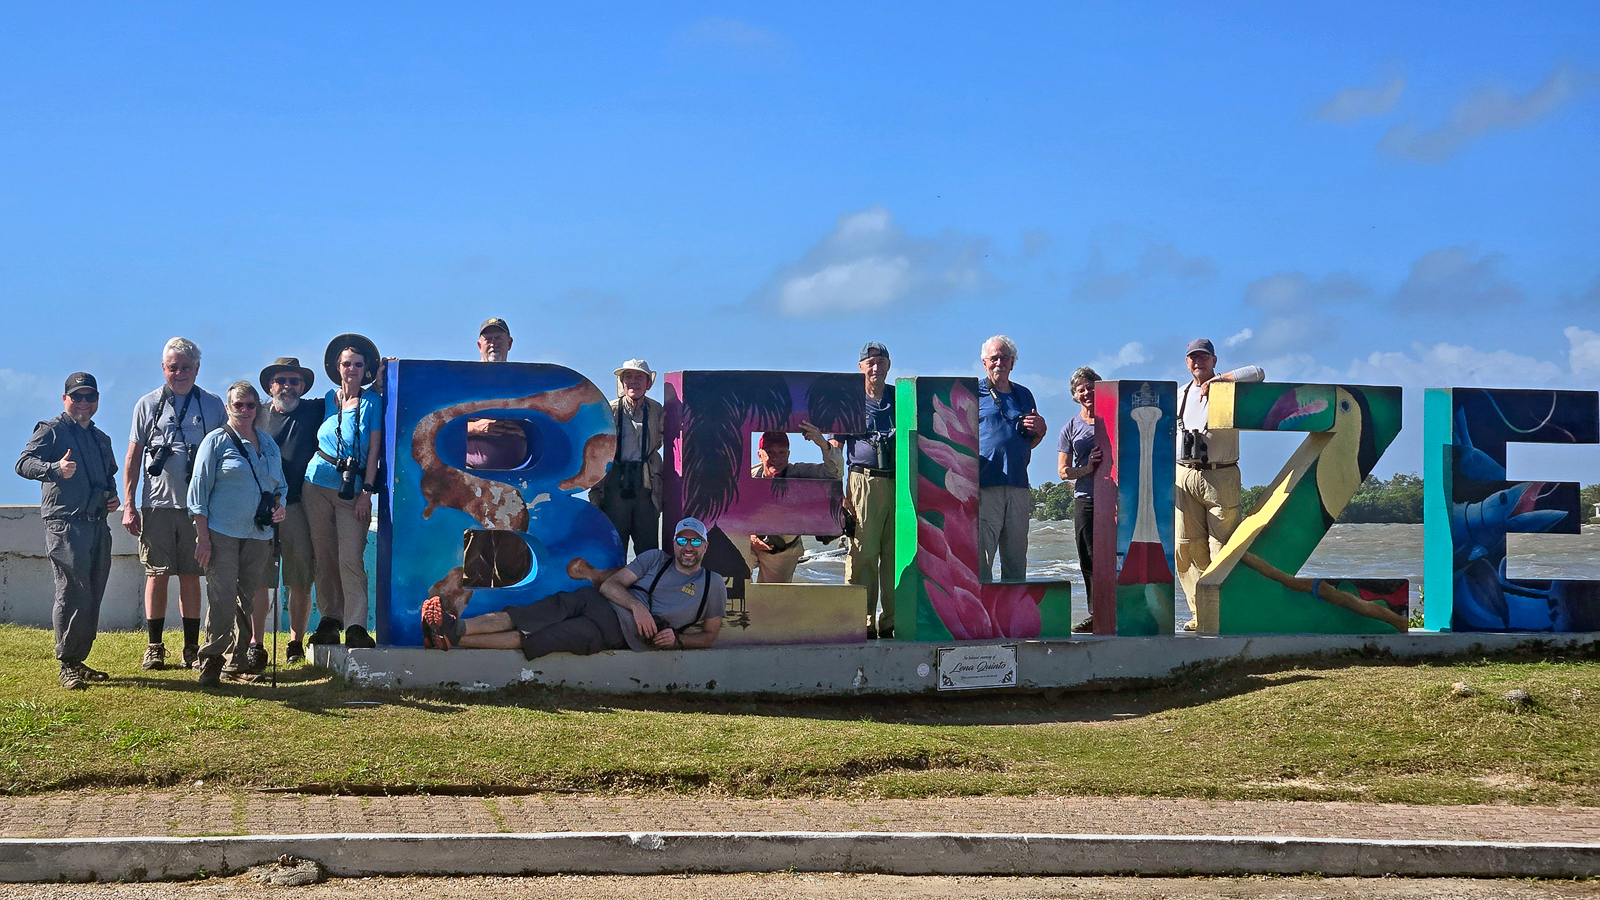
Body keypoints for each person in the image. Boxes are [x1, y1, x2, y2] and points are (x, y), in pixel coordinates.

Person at [420, 518, 725, 657]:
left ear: (705, 546)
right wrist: (636, 606)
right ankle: (454, 626)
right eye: (682, 540)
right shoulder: (655, 559)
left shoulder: (712, 585)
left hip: (616, 635)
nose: (688, 547)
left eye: (694, 541)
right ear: (674, 543)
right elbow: (611, 586)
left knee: (538, 639)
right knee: (526, 614)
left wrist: (678, 641)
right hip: (597, 602)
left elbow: (709, 636)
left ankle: (452, 638)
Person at [123, 337, 226, 671]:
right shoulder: (148, 404)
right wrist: (129, 504)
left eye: (185, 367)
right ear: (163, 368)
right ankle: (154, 646)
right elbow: (133, 457)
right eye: (173, 367)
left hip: (198, 507)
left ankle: (191, 648)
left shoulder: (211, 405)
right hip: (157, 504)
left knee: (191, 575)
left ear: (197, 368)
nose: (179, 374)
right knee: (157, 574)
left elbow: (224, 454)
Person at [15, 373, 120, 690]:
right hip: (65, 524)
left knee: (92, 593)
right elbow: (23, 463)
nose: (84, 402)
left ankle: (77, 659)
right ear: (65, 399)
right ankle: (67, 663)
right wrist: (54, 469)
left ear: (97, 400)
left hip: (96, 524)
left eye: (90, 396)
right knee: (72, 591)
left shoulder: (101, 438)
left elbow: (109, 477)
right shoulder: (52, 430)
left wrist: (113, 497)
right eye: (77, 396)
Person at [187, 382, 287, 686]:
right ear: (228, 408)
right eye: (238, 405)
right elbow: (198, 493)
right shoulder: (215, 441)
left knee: (247, 598)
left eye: (250, 405)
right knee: (222, 596)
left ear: (258, 408)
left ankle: (238, 661)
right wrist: (203, 538)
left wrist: (279, 508)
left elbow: (279, 487)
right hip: (222, 532)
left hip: (258, 533)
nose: (244, 410)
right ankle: (211, 659)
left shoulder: (268, 443)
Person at [1175, 338, 1264, 631]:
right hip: (1184, 474)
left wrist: (1221, 380)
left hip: (1221, 474)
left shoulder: (1230, 387)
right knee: (1187, 547)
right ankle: (1200, 613)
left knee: (1223, 545)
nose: (1197, 362)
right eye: (1192, 357)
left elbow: (1258, 372)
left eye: (1203, 357)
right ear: (1186, 362)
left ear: (1214, 360)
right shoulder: (1179, 394)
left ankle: (1226, 611)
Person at [302, 334, 384, 649]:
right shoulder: (329, 399)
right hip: (315, 484)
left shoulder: (372, 402)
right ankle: (329, 620)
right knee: (324, 557)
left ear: (366, 369)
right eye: (347, 364)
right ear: (337, 367)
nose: (352, 369)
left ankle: (356, 625)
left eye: (358, 365)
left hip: (352, 490)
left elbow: (373, 451)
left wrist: (367, 492)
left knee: (350, 558)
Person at [251, 358, 325, 664]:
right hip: (259, 509)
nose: (287, 386)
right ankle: (256, 643)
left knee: (300, 578)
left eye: (294, 381)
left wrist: (380, 375)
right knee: (259, 579)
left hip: (297, 507)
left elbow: (352, 393)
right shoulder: (255, 415)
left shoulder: (315, 410)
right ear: (270, 386)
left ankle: (295, 643)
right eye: (281, 380)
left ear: (303, 386)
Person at [830, 341, 896, 638]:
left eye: (881, 362)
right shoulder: (849, 400)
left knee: (895, 554)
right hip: (862, 481)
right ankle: (862, 621)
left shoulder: (899, 397)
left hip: (899, 481)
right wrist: (837, 491)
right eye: (870, 363)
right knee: (863, 553)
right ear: (860, 367)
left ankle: (892, 620)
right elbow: (835, 445)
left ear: (888, 366)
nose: (876, 368)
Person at [977, 335, 1047, 582]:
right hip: (985, 485)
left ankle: (1015, 607)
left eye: (1005, 358)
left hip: (1018, 484)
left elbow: (1031, 440)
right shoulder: (974, 393)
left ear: (1013, 362)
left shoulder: (1024, 394)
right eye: (994, 358)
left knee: (1016, 560)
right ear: (984, 362)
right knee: (981, 560)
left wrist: (1041, 430)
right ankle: (981, 607)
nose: (1000, 363)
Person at [740, 426, 843, 584]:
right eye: (770, 452)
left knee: (774, 596)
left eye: (781, 452)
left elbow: (834, 472)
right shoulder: (746, 477)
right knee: (733, 577)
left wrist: (823, 444)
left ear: (788, 455)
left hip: (782, 549)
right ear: (760, 455)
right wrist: (750, 536)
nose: (776, 458)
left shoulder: (799, 472)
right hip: (749, 543)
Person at [587, 359, 664, 556]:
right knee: (614, 547)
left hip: (646, 484)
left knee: (648, 549)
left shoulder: (657, 410)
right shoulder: (609, 410)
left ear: (648, 384)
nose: (633, 381)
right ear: (622, 382)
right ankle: (615, 577)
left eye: (639, 377)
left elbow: (663, 440)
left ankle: (646, 578)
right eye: (628, 376)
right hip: (615, 484)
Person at [1057, 366, 1103, 633]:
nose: (1086, 393)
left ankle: (1120, 610)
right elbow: (1063, 471)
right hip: (1086, 497)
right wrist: (1086, 468)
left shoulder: (1114, 419)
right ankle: (1096, 614)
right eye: (1081, 389)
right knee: (1088, 556)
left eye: (1091, 387)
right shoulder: (1070, 428)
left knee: (1117, 554)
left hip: (1116, 496)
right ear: (1075, 395)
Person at [465, 318, 530, 470]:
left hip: (519, 474)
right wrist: (476, 428)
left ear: (509, 343)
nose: (493, 344)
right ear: (479, 346)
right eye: (488, 339)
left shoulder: (523, 383)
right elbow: (441, 425)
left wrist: (526, 431)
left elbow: (544, 422)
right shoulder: (465, 381)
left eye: (499, 338)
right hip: (469, 473)